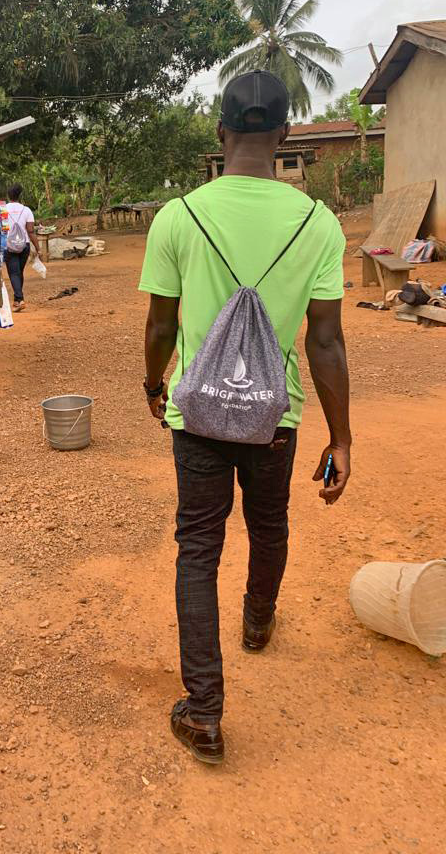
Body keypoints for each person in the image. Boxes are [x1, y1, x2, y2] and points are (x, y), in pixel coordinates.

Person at [139, 70, 351, 765]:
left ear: (220, 133)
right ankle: (257, 624)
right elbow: (325, 339)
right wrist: (341, 438)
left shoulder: (178, 216)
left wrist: (152, 380)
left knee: (197, 551)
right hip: (275, 416)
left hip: (196, 413)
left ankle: (203, 714)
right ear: (286, 136)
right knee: (269, 524)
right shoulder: (319, 224)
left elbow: (161, 324)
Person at [4, 184, 42, 312]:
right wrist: (38, 248)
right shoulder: (26, 210)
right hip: (24, 245)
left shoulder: (2, 209)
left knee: (14, 273)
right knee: (18, 272)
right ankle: (17, 300)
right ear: (19, 196)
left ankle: (20, 300)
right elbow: (31, 231)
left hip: (9, 246)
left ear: (9, 196)